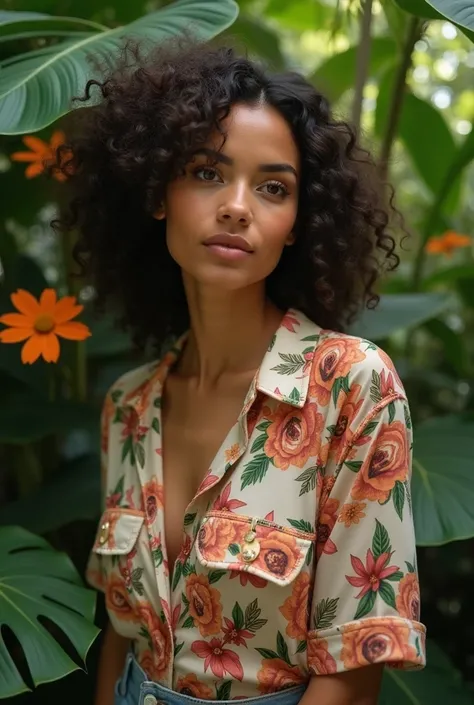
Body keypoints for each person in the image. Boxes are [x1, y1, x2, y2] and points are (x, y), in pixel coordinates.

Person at [56, 39, 426, 705]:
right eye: (206, 172)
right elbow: (121, 632)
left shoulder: (351, 386)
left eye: (273, 187)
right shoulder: (129, 405)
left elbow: (354, 663)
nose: (236, 205)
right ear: (156, 192)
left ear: (295, 225)